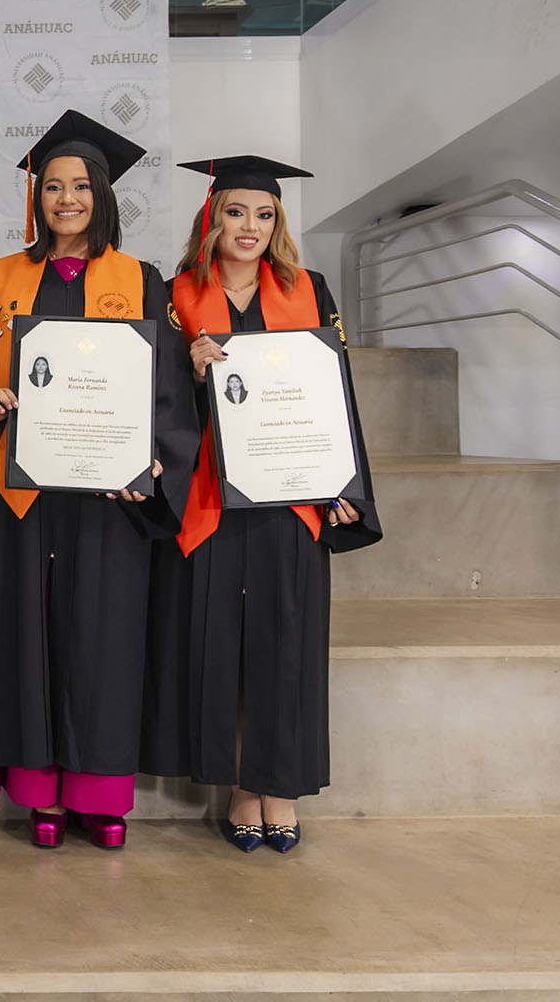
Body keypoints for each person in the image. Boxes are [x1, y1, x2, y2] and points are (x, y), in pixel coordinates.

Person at [0, 110, 197, 850]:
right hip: (21, 495)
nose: (67, 199)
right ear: (38, 197)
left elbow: (168, 392)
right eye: (54, 186)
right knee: (25, 635)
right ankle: (40, 795)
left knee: (105, 637)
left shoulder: (141, 281)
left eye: (81, 186)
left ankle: (98, 794)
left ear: (103, 195)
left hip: (106, 499)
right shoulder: (0, 279)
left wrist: (153, 462)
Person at [141, 155, 382, 854]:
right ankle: (241, 787)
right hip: (210, 495)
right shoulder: (174, 295)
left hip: (290, 496)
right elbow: (155, 396)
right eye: (236, 212)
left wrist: (344, 486)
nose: (250, 226)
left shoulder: (309, 290)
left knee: (285, 645)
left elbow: (335, 393)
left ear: (278, 224)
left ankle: (281, 787)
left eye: (265, 214)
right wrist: (188, 370)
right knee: (222, 645)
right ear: (211, 219)